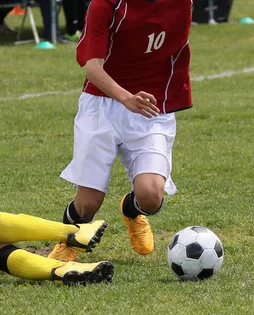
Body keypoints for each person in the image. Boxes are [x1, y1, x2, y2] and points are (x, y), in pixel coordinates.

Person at [48, 0, 193, 262]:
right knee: (88, 204)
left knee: (150, 195)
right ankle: (69, 238)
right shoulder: (105, 5)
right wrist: (126, 98)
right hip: (102, 106)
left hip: (152, 107)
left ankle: (131, 207)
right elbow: (92, 67)